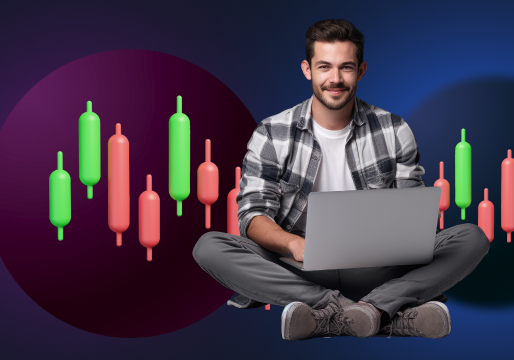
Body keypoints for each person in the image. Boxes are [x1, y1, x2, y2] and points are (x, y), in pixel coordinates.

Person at [193, 19, 489, 340]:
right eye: (324, 67)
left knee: (471, 237)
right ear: (307, 70)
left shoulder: (393, 129)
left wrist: (393, 242)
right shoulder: (271, 133)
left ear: (361, 70)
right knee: (209, 247)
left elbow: (414, 215)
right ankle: (354, 310)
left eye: (346, 68)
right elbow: (252, 216)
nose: (335, 79)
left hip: (377, 267)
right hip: (298, 265)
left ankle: (365, 309)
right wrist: (293, 243)